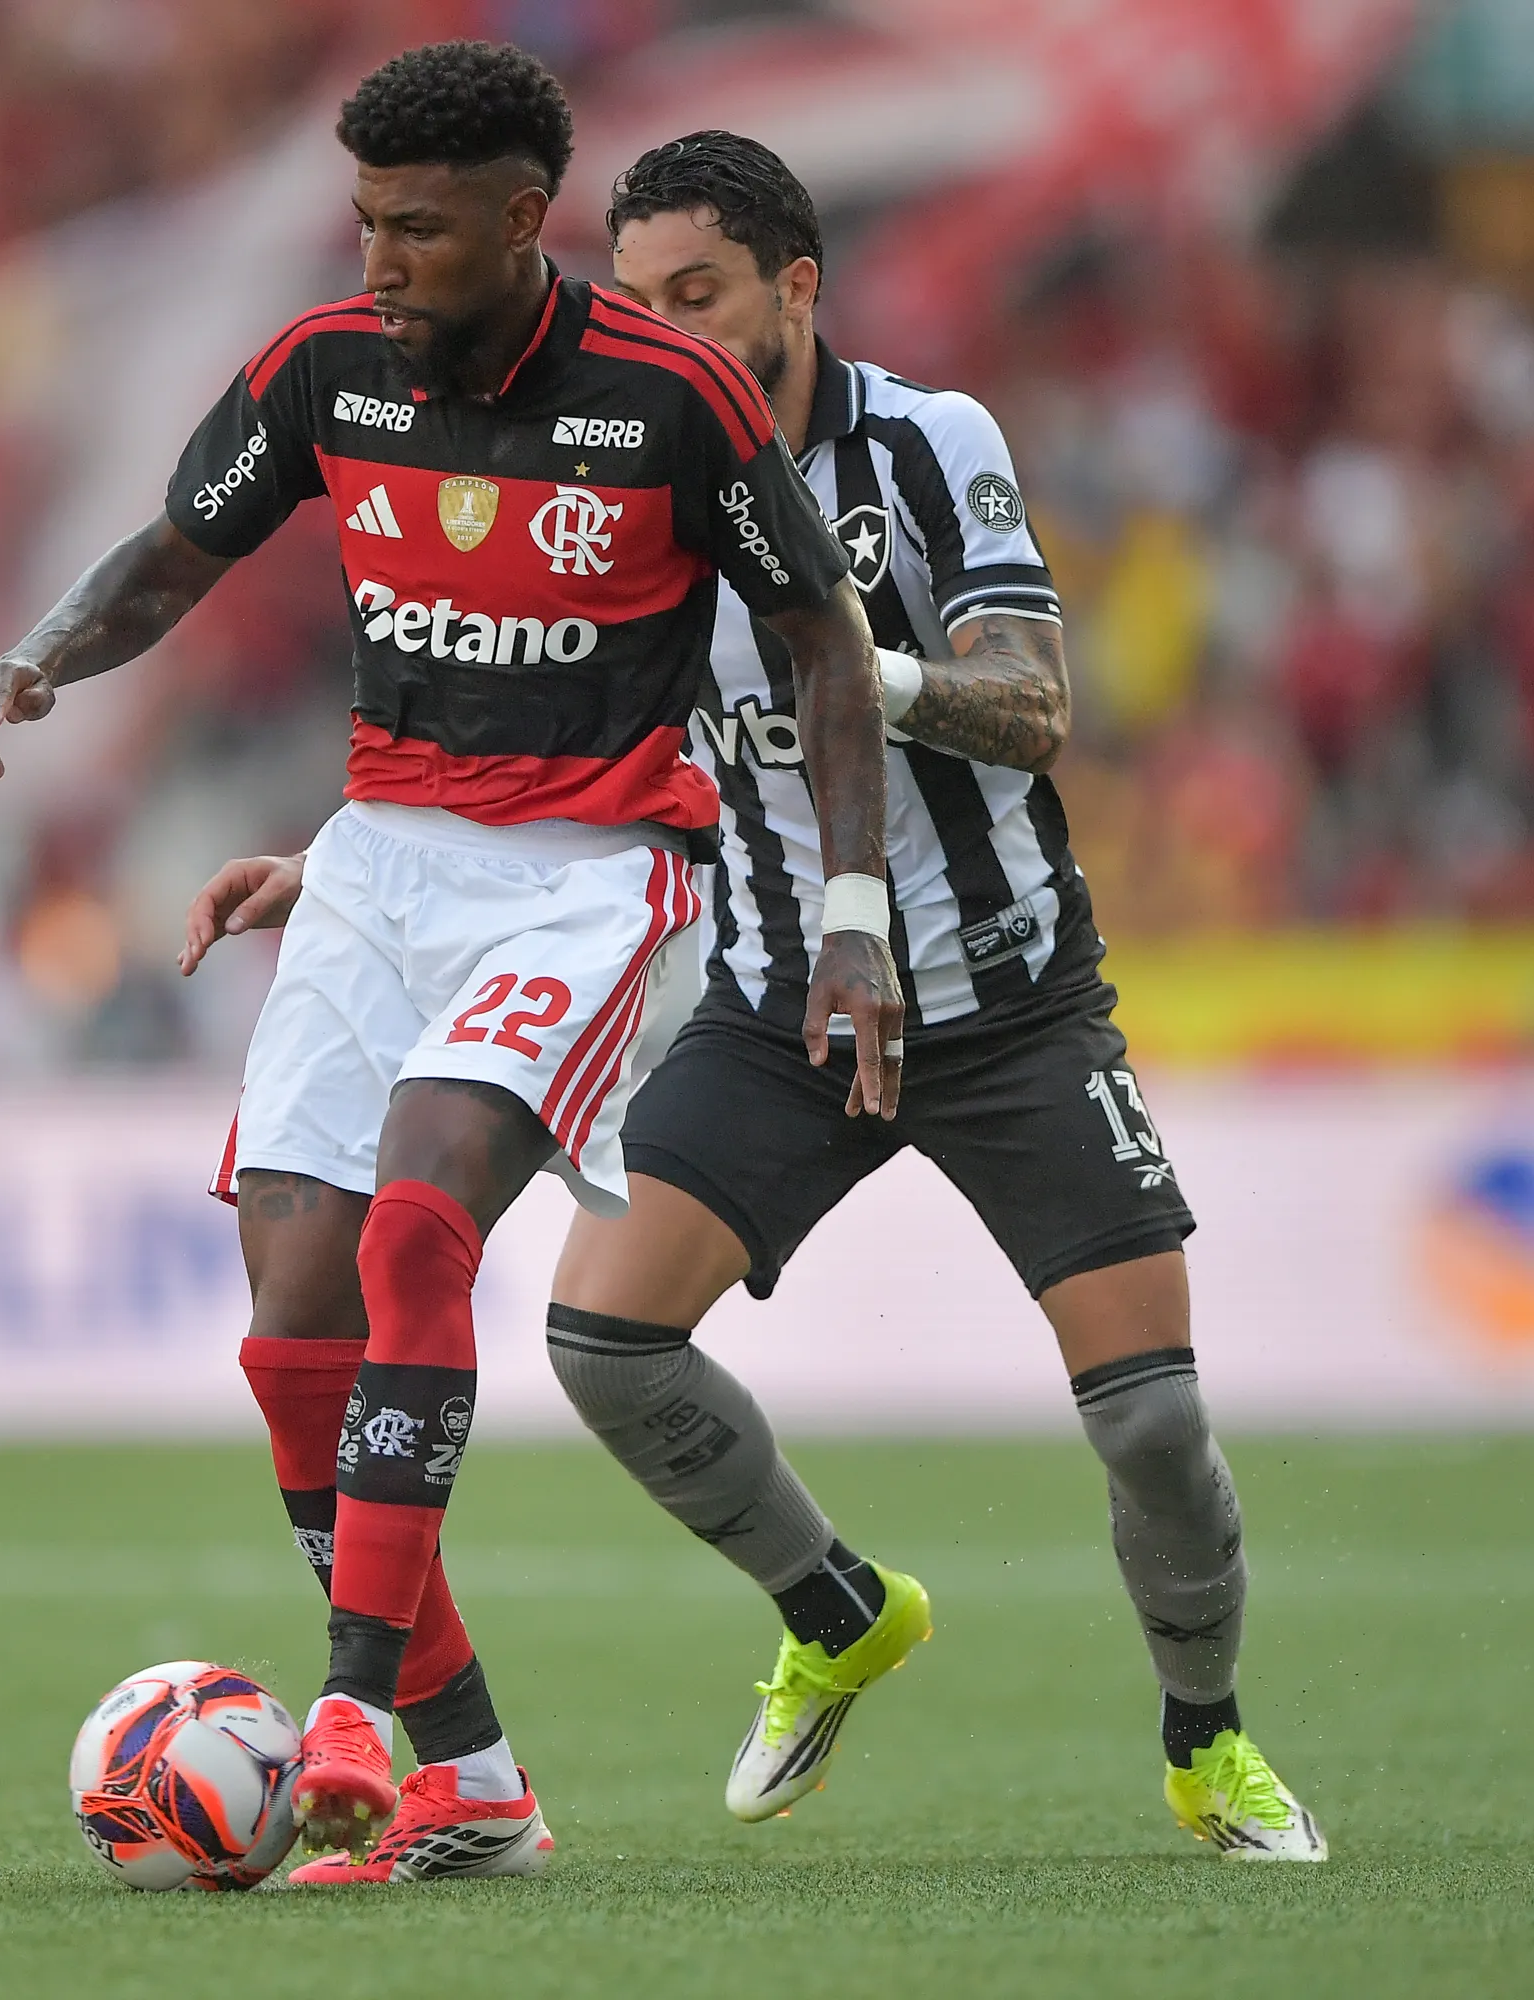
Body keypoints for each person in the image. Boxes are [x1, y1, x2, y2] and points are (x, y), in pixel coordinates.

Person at [0, 49, 901, 1884]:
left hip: (590, 876)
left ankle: (353, 1707)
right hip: (377, 861)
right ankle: (474, 1780)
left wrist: (852, 914)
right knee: (296, 1318)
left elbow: (825, 644)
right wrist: (38, 656)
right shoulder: (322, 372)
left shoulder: (671, 395)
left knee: (417, 1225)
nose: (380, 259)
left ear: (528, 222)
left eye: (420, 229)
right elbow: (172, 553)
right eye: (367, 220)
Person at [543, 131, 1322, 1858]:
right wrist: (362, 859)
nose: (664, 333)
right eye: (636, 304)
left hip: (1014, 1000)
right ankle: (835, 1613)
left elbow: (1035, 706)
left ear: (796, 288)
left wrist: (852, 657)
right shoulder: (618, 501)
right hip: (779, 1009)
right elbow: (562, 742)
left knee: (1159, 1427)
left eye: (701, 297)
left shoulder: (926, 440)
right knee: (599, 1341)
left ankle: (1207, 1742)